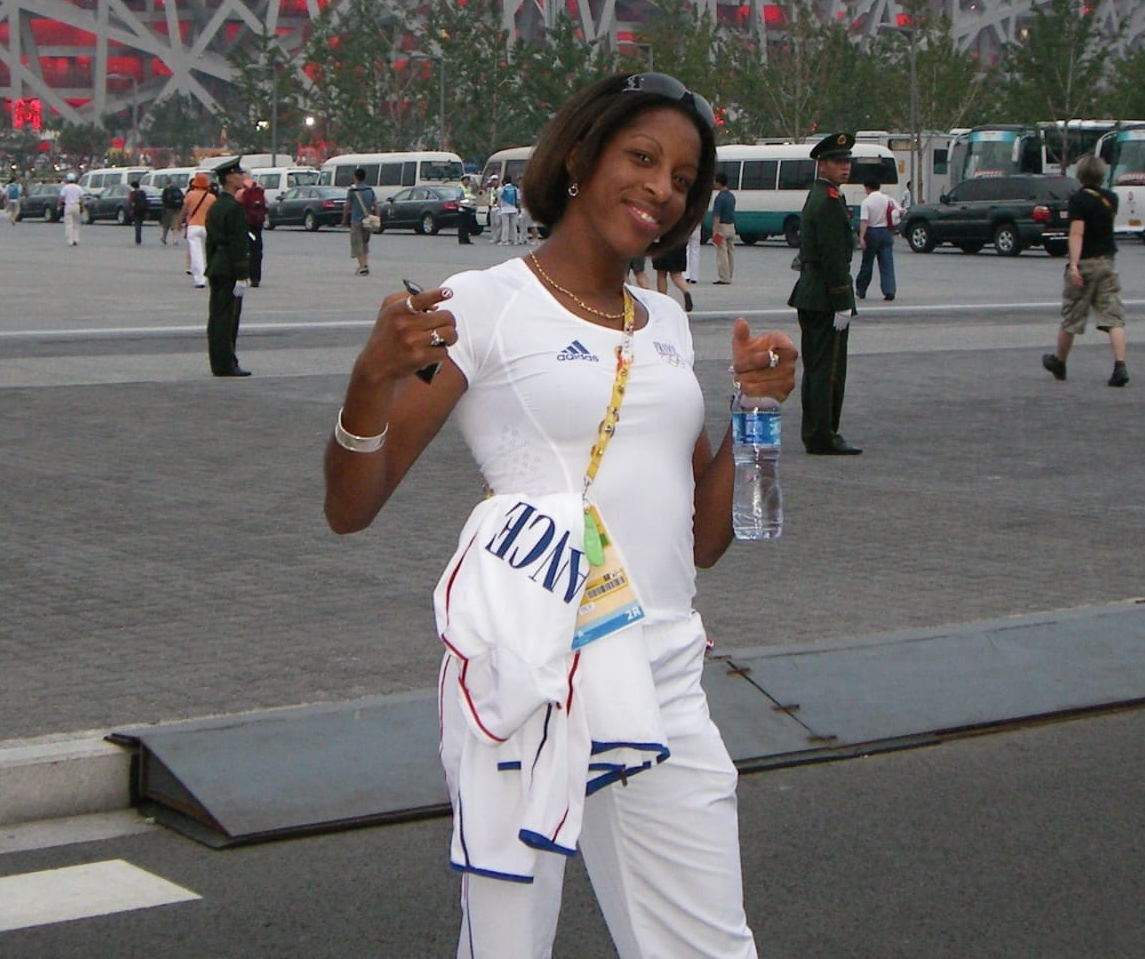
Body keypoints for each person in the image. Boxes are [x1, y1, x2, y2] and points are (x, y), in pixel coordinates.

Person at [323, 70, 795, 959]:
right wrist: (368, 381)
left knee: (710, 950)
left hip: (661, 676)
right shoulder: (485, 306)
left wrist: (758, 411)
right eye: (642, 158)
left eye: (683, 179)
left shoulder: (664, 320)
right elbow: (353, 505)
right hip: (534, 675)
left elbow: (700, 540)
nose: (662, 189)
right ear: (580, 157)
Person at [789, 131, 860, 454]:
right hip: (825, 296)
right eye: (837, 161)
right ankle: (823, 434)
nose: (844, 167)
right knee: (828, 369)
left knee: (817, 367)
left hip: (812, 293)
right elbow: (833, 256)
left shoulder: (822, 195)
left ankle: (817, 431)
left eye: (847, 161)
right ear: (822, 164)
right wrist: (843, 301)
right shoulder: (828, 201)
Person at [1043, 154, 1129, 387]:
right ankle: (1120, 365)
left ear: (1079, 174)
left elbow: (1077, 233)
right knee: (1112, 316)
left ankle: (1059, 361)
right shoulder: (1111, 198)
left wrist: (1073, 264)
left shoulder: (1079, 200)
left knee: (1071, 316)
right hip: (1107, 262)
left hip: (1087, 262)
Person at [204, 162, 253, 376]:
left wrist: (210, 265)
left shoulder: (215, 206)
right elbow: (238, 243)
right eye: (239, 174)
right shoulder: (233, 208)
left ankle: (218, 361)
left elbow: (210, 242)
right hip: (230, 268)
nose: (242, 177)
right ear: (230, 178)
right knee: (228, 318)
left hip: (217, 266)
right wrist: (242, 275)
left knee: (216, 317)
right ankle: (226, 363)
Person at [854, 174, 898, 302]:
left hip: (872, 232)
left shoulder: (866, 202)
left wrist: (861, 237)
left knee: (867, 263)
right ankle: (889, 290)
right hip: (886, 232)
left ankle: (861, 289)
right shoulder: (887, 199)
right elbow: (899, 211)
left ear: (867, 188)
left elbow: (864, 221)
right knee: (887, 263)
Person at [180, 172, 214, 286]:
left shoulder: (190, 195)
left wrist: (179, 223)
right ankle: (210, 273)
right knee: (207, 252)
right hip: (207, 227)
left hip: (193, 226)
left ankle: (199, 279)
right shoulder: (211, 197)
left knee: (196, 253)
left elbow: (184, 210)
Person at [235, 169, 268, 284]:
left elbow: (236, 206)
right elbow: (265, 203)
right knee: (257, 250)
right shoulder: (259, 188)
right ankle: (256, 278)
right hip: (257, 223)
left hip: (245, 223)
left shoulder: (240, 190)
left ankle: (244, 274)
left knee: (244, 249)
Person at [345, 168, 377, 276]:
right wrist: (377, 218)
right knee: (365, 243)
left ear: (355, 177)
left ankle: (362, 267)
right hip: (368, 221)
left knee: (357, 244)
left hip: (356, 220)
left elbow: (347, 206)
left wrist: (344, 219)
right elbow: (376, 205)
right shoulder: (370, 190)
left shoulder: (352, 191)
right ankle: (365, 264)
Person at [709, 172, 738, 284]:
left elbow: (716, 216)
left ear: (718, 182)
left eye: (715, 181)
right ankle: (729, 275)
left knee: (721, 253)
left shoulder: (719, 198)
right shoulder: (731, 196)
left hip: (721, 228)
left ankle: (723, 277)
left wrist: (714, 232)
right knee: (730, 252)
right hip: (731, 226)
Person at [653, 235, 691, 310]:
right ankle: (686, 292)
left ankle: (662, 299)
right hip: (679, 242)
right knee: (677, 275)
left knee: (661, 275)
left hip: (663, 243)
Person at [59, 171, 85, 247]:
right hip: (76, 206)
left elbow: (61, 198)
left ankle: (70, 240)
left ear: (67, 180)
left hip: (68, 206)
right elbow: (82, 198)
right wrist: (82, 207)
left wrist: (59, 205)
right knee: (76, 224)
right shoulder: (78, 188)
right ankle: (76, 239)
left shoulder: (65, 188)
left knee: (69, 224)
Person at [128, 176, 152, 246]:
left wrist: (131, 210)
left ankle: (137, 239)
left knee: (137, 225)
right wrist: (147, 211)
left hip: (136, 210)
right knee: (140, 224)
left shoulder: (132, 193)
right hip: (143, 210)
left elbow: (130, 202)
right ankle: (139, 238)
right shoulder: (142, 193)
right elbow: (146, 202)